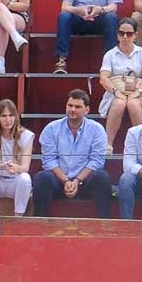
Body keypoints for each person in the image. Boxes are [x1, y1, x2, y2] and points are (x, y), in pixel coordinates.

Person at [33, 89, 111, 218]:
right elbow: (49, 161)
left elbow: (97, 161)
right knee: (42, 178)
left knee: (102, 177)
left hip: (84, 181)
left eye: (77, 107)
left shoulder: (97, 130)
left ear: (87, 110)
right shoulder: (52, 128)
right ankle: (41, 224)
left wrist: (77, 181)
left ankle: (104, 225)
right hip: (58, 180)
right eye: (70, 105)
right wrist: (65, 181)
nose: (72, 109)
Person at [98, 18, 142, 153]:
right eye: (121, 33)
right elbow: (103, 78)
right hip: (116, 92)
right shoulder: (110, 54)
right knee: (119, 104)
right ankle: (108, 144)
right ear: (117, 35)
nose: (125, 37)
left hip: (139, 92)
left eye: (129, 34)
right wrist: (116, 92)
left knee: (133, 104)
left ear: (135, 35)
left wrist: (138, 92)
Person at [0, 99, 34, 217]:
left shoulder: (26, 135)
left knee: (25, 178)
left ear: (16, 117)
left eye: (11, 116)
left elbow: (25, 167)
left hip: (15, 181)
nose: (8, 120)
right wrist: (3, 166)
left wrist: (16, 168)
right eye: (4, 116)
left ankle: (18, 217)